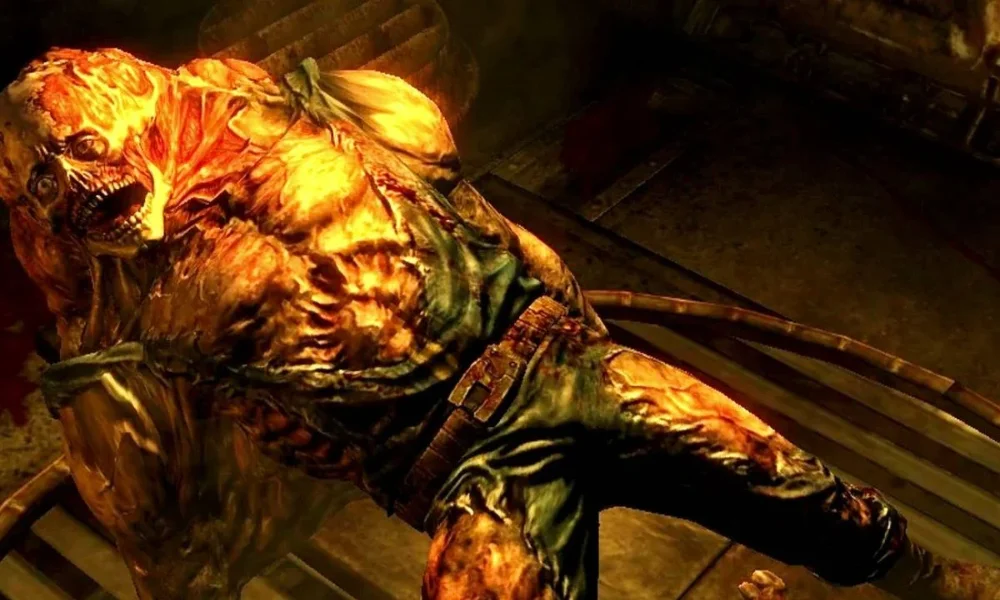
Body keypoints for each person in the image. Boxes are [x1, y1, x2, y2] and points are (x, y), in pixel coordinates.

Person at [0, 47, 996, 599]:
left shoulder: (271, 105)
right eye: (46, 180)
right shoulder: (114, 306)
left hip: (563, 360)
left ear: (132, 106)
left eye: (80, 148)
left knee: (794, 487)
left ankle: (937, 583)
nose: (79, 186)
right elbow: (155, 518)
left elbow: (439, 164)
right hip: (464, 465)